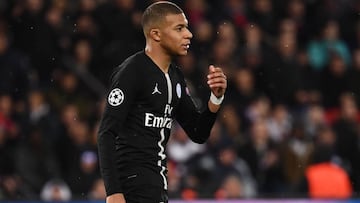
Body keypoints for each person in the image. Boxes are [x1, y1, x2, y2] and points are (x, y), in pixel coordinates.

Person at [97, 1, 227, 203]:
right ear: (156, 34)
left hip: (157, 184)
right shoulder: (132, 71)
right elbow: (106, 133)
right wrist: (113, 192)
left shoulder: (175, 76)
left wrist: (216, 97)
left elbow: (198, 132)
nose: (189, 34)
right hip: (131, 185)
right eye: (179, 28)